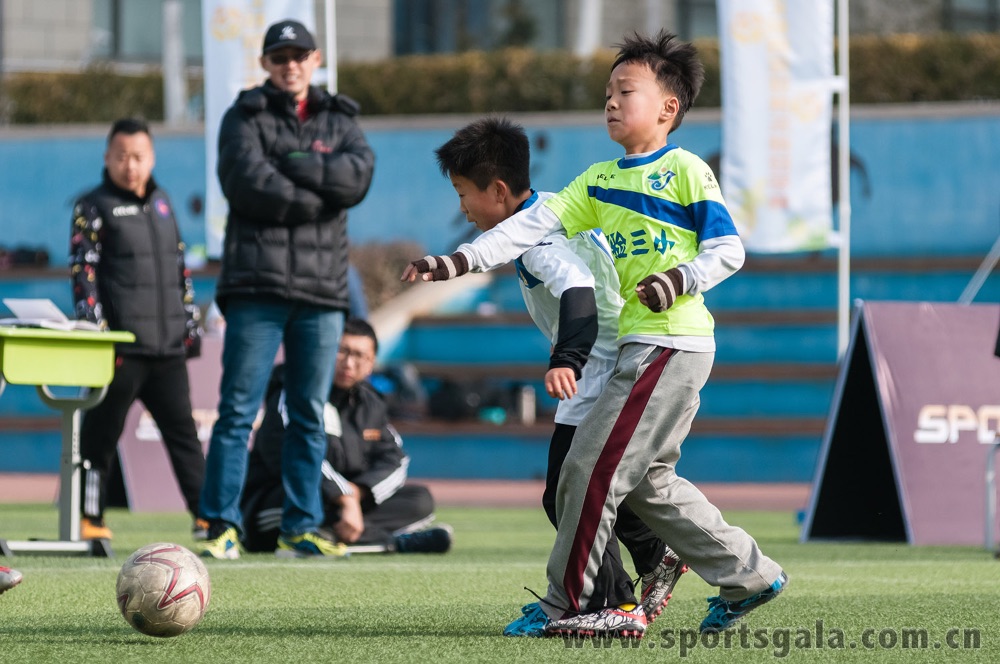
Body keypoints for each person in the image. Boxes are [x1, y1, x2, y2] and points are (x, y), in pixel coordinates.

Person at [403, 31, 786, 637]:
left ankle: (580, 604)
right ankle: (750, 576)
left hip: (670, 341)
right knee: (648, 484)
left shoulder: (685, 170)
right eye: (608, 91)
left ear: (668, 107)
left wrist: (678, 279)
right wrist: (456, 262)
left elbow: (728, 250)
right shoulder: (598, 180)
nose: (611, 101)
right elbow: (527, 226)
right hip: (643, 347)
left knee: (586, 472)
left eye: (626, 91)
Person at [432, 117, 683, 637]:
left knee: (567, 494)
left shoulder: (537, 242)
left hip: (599, 366)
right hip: (611, 357)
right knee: (593, 487)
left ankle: (612, 601)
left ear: (497, 191)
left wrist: (567, 358)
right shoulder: (551, 205)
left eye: (462, 194)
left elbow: (578, 288)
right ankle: (653, 558)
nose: (462, 208)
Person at [197, 19, 375, 560]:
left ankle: (300, 526)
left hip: (321, 294)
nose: (290, 64)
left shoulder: (340, 117)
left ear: (315, 59)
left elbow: (358, 178)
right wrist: (321, 195)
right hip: (256, 288)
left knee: (309, 413)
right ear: (265, 64)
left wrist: (295, 164)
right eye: (280, 56)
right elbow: (246, 184)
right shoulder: (243, 116)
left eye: (299, 55)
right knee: (237, 411)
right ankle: (221, 525)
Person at [70, 117, 205, 541]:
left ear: (152, 158)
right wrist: (97, 334)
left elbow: (180, 269)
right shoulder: (93, 206)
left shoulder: (163, 203)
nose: (131, 166)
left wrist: (190, 325)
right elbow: (84, 273)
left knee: (185, 437)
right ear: (107, 158)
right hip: (121, 350)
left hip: (168, 349)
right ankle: (90, 517)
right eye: (122, 157)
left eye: (139, 157)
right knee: (100, 436)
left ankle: (207, 518)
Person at [241, 318, 452, 555]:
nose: (349, 363)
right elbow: (294, 453)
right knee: (304, 499)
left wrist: (359, 492)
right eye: (341, 351)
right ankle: (393, 543)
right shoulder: (294, 392)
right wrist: (344, 497)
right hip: (282, 499)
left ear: (371, 363)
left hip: (347, 503)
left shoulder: (371, 404)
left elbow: (395, 460)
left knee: (420, 500)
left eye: (359, 355)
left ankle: (332, 537)